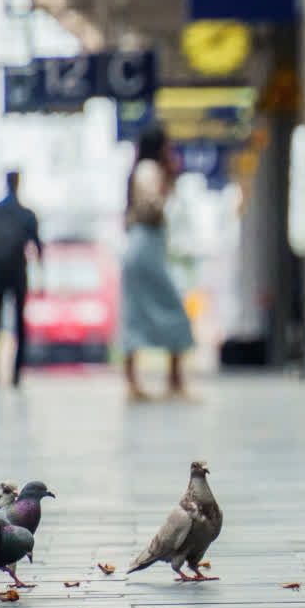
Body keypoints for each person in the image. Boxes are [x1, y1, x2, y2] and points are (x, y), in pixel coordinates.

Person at [121, 126, 195, 402]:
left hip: (146, 246)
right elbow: (153, 205)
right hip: (145, 246)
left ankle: (144, 380)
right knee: (170, 309)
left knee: (137, 312)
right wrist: (167, 181)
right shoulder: (149, 170)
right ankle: (170, 380)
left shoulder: (144, 169)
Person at [0, 170, 42, 388]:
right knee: (19, 324)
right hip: (17, 272)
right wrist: (41, 277)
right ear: (19, 184)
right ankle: (16, 373)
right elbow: (38, 247)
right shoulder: (26, 215)